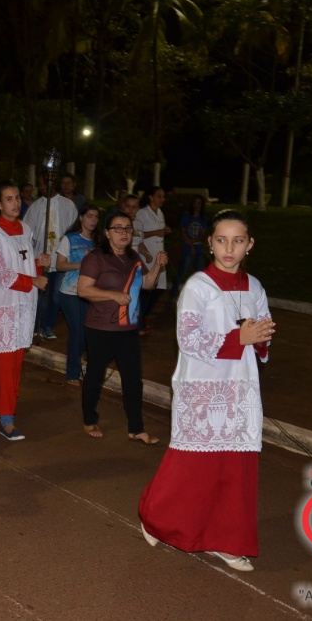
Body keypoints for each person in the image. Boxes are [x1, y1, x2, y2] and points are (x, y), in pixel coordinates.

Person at [138, 209, 274, 573]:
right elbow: (189, 339)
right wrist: (240, 336)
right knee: (191, 467)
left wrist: (260, 339)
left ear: (250, 245)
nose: (229, 248)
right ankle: (154, 518)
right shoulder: (198, 285)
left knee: (236, 469)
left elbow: (262, 337)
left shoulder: (255, 287)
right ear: (210, 243)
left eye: (238, 241)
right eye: (221, 240)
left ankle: (227, 541)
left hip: (240, 388)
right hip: (202, 386)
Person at [77, 211, 167, 441]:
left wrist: (157, 265)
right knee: (95, 375)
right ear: (107, 233)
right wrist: (113, 295)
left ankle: (136, 428)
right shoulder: (96, 258)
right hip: (101, 329)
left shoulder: (134, 257)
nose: (124, 233)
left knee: (133, 379)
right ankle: (89, 420)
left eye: (127, 228)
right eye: (118, 228)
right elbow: (83, 290)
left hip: (128, 329)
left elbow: (147, 284)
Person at [0, 182, 49, 441]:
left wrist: (39, 266)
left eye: (17, 197)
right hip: (1, 303)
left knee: (5, 357)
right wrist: (33, 281)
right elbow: (1, 273)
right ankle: (6, 418)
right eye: (8, 199)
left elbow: (26, 265)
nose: (15, 203)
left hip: (22, 302)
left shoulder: (25, 229)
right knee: (6, 360)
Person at [22, 176, 78, 339]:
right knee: (40, 296)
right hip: (41, 259)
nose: (41, 188)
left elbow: (73, 231)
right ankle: (34, 326)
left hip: (61, 260)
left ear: (52, 184)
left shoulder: (68, 205)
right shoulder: (36, 207)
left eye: (43, 184)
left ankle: (47, 326)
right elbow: (27, 233)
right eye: (40, 185)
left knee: (55, 296)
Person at [55, 204, 100, 385]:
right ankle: (72, 373)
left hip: (89, 292)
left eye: (96, 217)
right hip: (70, 292)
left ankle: (79, 357)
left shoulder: (97, 242)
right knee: (77, 330)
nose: (93, 220)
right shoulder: (70, 239)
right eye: (89, 216)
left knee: (87, 330)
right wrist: (80, 265)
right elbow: (59, 265)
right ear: (81, 218)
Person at [134, 186, 171, 336]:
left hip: (159, 257)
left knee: (160, 288)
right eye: (159, 196)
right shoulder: (142, 213)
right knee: (147, 289)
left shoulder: (160, 213)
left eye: (163, 196)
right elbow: (139, 235)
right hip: (147, 256)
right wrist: (158, 232)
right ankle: (139, 320)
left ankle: (143, 315)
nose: (162, 199)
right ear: (150, 197)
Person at [170, 195, 208, 299]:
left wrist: (197, 242)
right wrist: (191, 246)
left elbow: (202, 234)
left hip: (199, 250)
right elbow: (183, 233)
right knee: (181, 273)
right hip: (187, 249)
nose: (197, 205)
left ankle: (200, 296)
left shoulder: (203, 219)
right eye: (195, 203)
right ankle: (173, 295)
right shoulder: (186, 216)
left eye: (199, 203)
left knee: (201, 274)